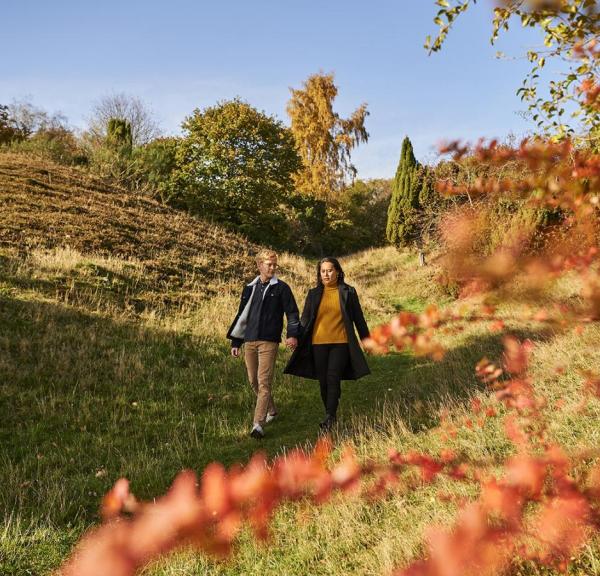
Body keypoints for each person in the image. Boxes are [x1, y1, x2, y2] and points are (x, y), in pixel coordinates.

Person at [284, 257, 370, 431]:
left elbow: (359, 319)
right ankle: (330, 412)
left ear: (337, 272)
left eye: (330, 270)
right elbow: (305, 319)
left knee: (333, 377)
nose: (326, 274)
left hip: (341, 343)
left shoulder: (348, 292)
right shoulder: (313, 294)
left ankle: (330, 415)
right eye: (323, 271)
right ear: (319, 274)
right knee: (323, 380)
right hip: (318, 344)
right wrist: (295, 336)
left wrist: (367, 341)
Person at [227, 249, 300, 439]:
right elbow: (242, 316)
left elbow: (292, 313)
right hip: (250, 340)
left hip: (269, 340)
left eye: (275, 264)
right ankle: (272, 410)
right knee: (253, 380)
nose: (273, 268)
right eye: (270, 264)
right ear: (259, 265)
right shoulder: (250, 288)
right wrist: (236, 341)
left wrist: (292, 334)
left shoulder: (282, 288)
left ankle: (257, 424)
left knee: (264, 381)